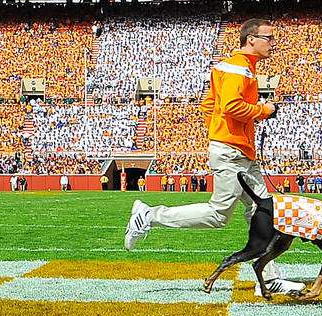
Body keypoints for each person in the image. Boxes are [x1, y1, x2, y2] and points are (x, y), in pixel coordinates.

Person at [123, 19, 306, 297]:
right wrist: (262, 111)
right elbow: (231, 105)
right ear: (251, 39)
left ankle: (268, 279)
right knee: (219, 214)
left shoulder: (232, 66)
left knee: (262, 211)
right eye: (269, 38)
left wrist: (223, 132)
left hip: (236, 150)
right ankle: (149, 215)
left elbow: (210, 106)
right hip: (232, 153)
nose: (273, 43)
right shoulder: (239, 69)